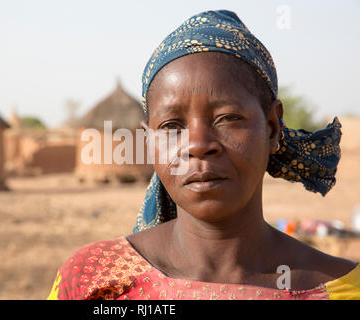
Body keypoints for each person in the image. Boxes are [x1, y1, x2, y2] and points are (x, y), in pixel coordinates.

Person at [47, 10, 360, 300]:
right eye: (171, 125)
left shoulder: (342, 288)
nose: (198, 144)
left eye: (227, 118)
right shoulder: (93, 279)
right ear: (149, 142)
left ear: (272, 128)